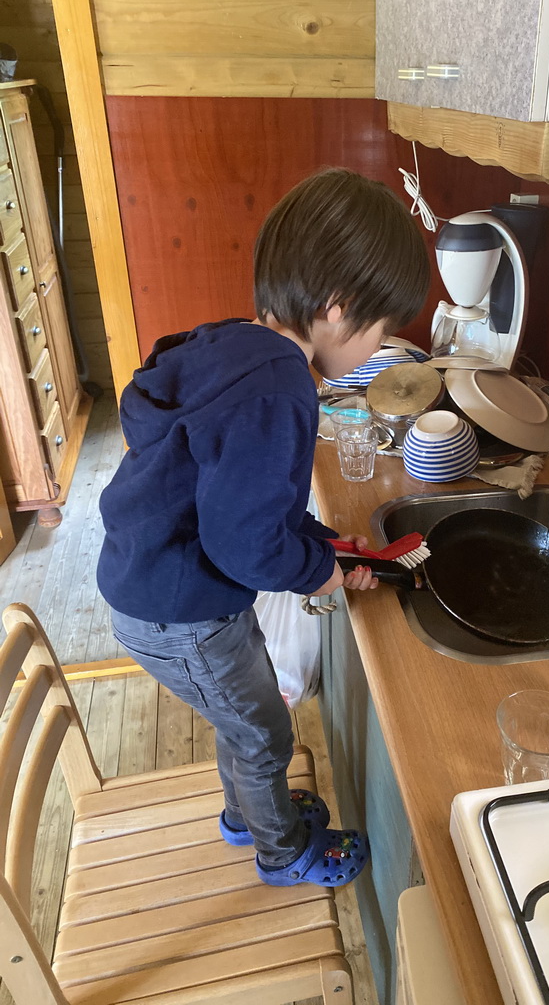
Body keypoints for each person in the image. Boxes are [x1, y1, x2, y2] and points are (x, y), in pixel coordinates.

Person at [97, 167, 431, 887]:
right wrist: (320, 571)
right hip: (181, 609)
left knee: (241, 720)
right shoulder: (280, 389)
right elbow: (245, 543)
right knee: (261, 732)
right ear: (339, 310)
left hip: (162, 582)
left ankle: (249, 813)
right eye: (380, 332)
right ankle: (284, 854)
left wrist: (320, 550)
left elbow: (252, 514)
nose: (376, 353)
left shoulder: (235, 347)